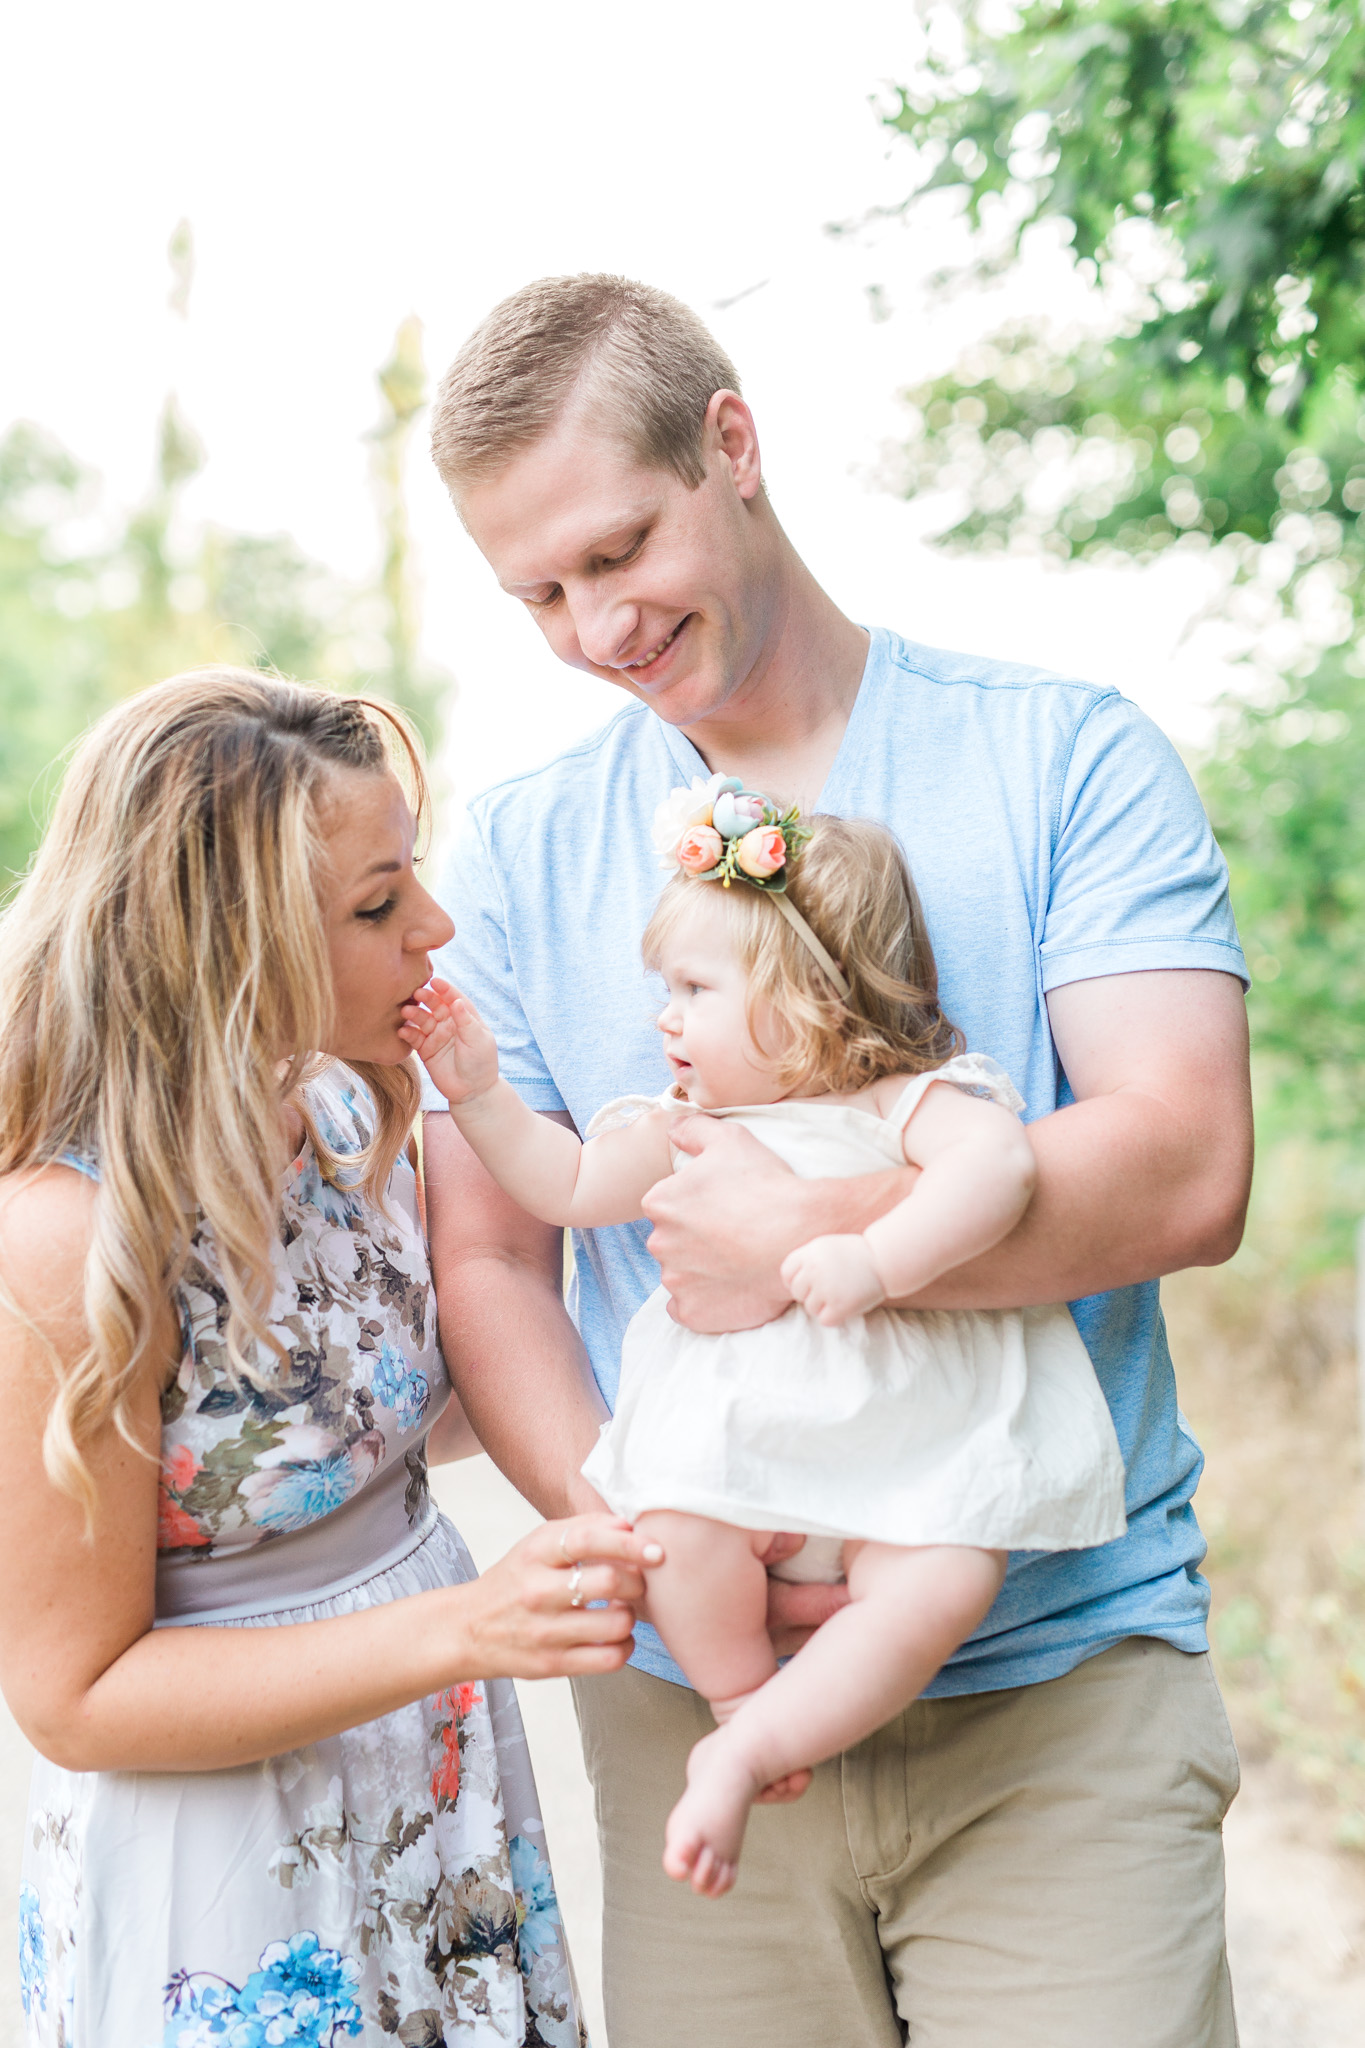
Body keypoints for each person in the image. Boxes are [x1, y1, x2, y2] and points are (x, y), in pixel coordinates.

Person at [420, 274, 1253, 2048]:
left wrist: (812, 1229)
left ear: (732, 445)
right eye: (539, 594)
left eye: (618, 549)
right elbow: (493, 1258)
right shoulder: (517, 848)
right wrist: (652, 1525)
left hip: (1054, 1681)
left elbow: (1183, 1165)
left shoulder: (1064, 757)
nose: (593, 627)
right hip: (688, 1701)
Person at [0, 668, 661, 2048]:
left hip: (427, 1798)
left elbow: (365, 1422)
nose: (437, 926)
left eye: (408, 872)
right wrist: (466, 1629)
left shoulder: (337, 1113)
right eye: (375, 906)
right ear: (227, 946)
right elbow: (75, 1697)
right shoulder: (69, 1244)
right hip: (233, 1871)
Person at [403, 798, 1128, 1900]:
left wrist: (876, 1257)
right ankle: (740, 1707)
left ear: (809, 995)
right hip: (737, 1467)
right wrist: (480, 1094)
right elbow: (566, 1186)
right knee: (669, 1535)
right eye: (667, 990)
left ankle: (754, 1739)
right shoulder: (683, 1121)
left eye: (695, 989)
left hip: (911, 1463)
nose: (665, 1018)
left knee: (944, 1575)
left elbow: (1002, 1175)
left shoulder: (912, 1102)